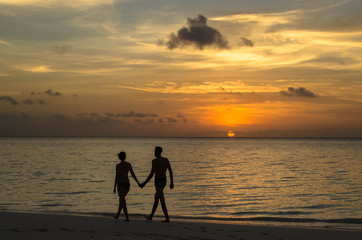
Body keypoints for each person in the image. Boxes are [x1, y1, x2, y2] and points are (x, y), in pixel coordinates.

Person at [140, 146, 174, 222]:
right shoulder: (166, 160)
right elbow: (170, 171)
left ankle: (167, 218)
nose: (153, 153)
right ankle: (151, 216)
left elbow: (152, 174)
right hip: (164, 181)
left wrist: (144, 183)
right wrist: (171, 182)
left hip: (158, 181)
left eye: (154, 151)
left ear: (157, 152)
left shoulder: (154, 161)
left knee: (162, 200)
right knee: (156, 198)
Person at [113, 151, 141, 222]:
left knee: (122, 200)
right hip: (127, 184)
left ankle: (127, 218)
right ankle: (117, 215)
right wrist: (138, 182)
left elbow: (117, 177)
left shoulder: (118, 166)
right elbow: (133, 174)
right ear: (125, 157)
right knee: (121, 200)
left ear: (119, 157)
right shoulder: (128, 164)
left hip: (121, 184)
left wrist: (114, 187)